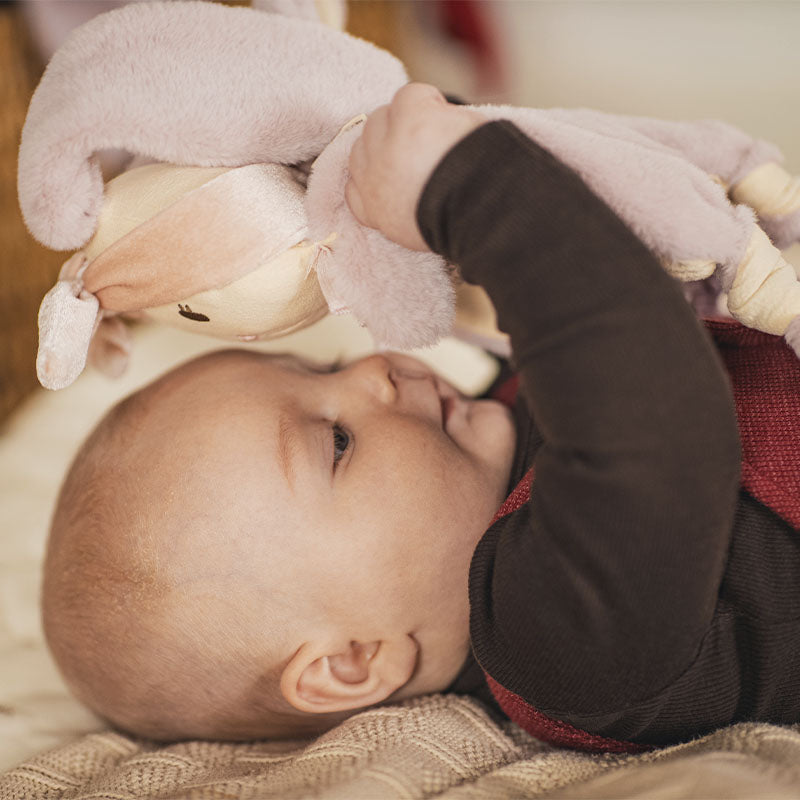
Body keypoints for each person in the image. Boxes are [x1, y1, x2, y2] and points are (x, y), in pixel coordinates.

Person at [42, 83, 800, 751]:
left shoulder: (510, 416)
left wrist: (395, 152)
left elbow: (582, 270)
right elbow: (647, 407)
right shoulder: (557, 645)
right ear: (351, 662)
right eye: (337, 442)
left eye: (326, 369)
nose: (373, 371)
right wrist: (469, 189)